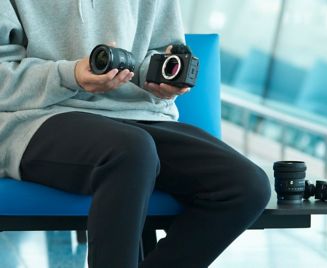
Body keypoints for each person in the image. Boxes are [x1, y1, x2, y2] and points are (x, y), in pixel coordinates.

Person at [0, 1, 271, 267]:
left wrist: (158, 77)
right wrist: (71, 75)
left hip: (137, 116)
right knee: (131, 151)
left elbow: (160, 50)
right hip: (38, 116)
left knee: (246, 185)